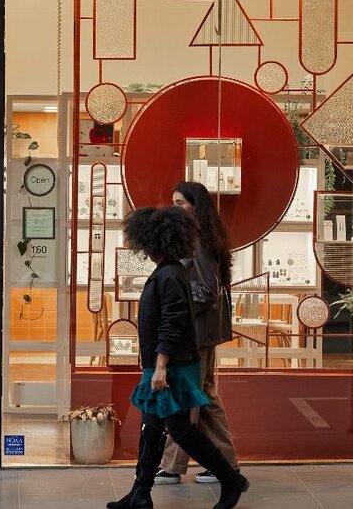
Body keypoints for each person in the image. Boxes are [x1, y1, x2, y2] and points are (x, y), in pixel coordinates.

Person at [108, 206, 248, 509]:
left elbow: (173, 321)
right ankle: (140, 493)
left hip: (170, 367)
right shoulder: (168, 272)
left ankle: (231, 479)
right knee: (151, 429)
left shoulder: (169, 274)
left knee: (182, 431)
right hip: (164, 365)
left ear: (153, 241)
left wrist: (160, 367)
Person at [155, 181, 240, 485]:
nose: (174, 207)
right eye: (173, 202)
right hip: (201, 332)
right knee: (205, 397)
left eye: (180, 203)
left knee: (187, 396)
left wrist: (175, 297)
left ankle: (172, 466)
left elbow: (206, 291)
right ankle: (225, 464)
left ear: (195, 205)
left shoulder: (199, 242)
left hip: (196, 334)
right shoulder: (198, 238)